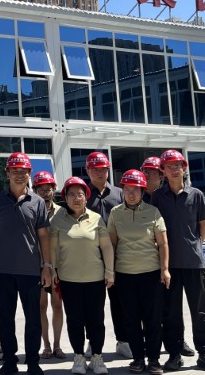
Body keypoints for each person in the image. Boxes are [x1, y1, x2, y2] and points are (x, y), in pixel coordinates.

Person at [150, 150, 205, 373]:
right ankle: (174, 354)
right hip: (168, 265)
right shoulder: (157, 197)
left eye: (178, 166)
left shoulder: (196, 195)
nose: (174, 170)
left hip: (193, 263)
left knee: (200, 312)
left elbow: (203, 225)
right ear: (162, 170)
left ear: (184, 168)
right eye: (169, 166)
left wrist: (194, 247)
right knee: (171, 313)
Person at [0, 153, 52, 375]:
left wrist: (47, 266)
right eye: (15, 171)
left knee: (33, 319)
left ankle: (32, 362)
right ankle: (9, 361)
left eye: (24, 171)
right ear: (7, 173)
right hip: (3, 270)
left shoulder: (37, 202)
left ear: (29, 174)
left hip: (30, 270)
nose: (19, 175)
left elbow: (43, 236)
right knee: (6, 319)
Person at [107, 170, 170, 375]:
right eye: (127, 189)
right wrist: (110, 271)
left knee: (153, 319)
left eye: (135, 189)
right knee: (131, 319)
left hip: (151, 273)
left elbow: (163, 243)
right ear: (122, 191)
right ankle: (137, 358)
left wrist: (165, 269)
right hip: (125, 275)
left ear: (143, 191)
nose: (131, 194)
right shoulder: (115, 213)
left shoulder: (153, 212)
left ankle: (154, 359)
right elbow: (112, 244)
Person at [49, 176, 114, 375]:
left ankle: (97, 358)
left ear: (86, 197)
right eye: (71, 195)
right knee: (75, 320)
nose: (76, 198)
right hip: (69, 279)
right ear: (65, 197)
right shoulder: (57, 219)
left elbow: (106, 247)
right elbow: (52, 249)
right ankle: (78, 357)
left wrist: (109, 272)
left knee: (96, 321)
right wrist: (52, 270)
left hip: (95, 279)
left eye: (80, 194)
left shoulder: (96, 218)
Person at [83, 151, 130, 360]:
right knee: (92, 304)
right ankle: (92, 342)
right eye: (94, 169)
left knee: (120, 302)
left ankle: (123, 340)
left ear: (108, 170)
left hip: (117, 257)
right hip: (90, 257)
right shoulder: (83, 194)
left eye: (102, 169)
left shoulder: (119, 194)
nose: (99, 173)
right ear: (87, 171)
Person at [31, 171, 65, 361]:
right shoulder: (31, 209)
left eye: (48, 189)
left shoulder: (62, 212)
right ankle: (46, 345)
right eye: (41, 189)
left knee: (57, 306)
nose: (45, 193)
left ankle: (58, 345)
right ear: (34, 190)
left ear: (54, 189)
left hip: (58, 266)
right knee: (40, 306)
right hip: (37, 266)